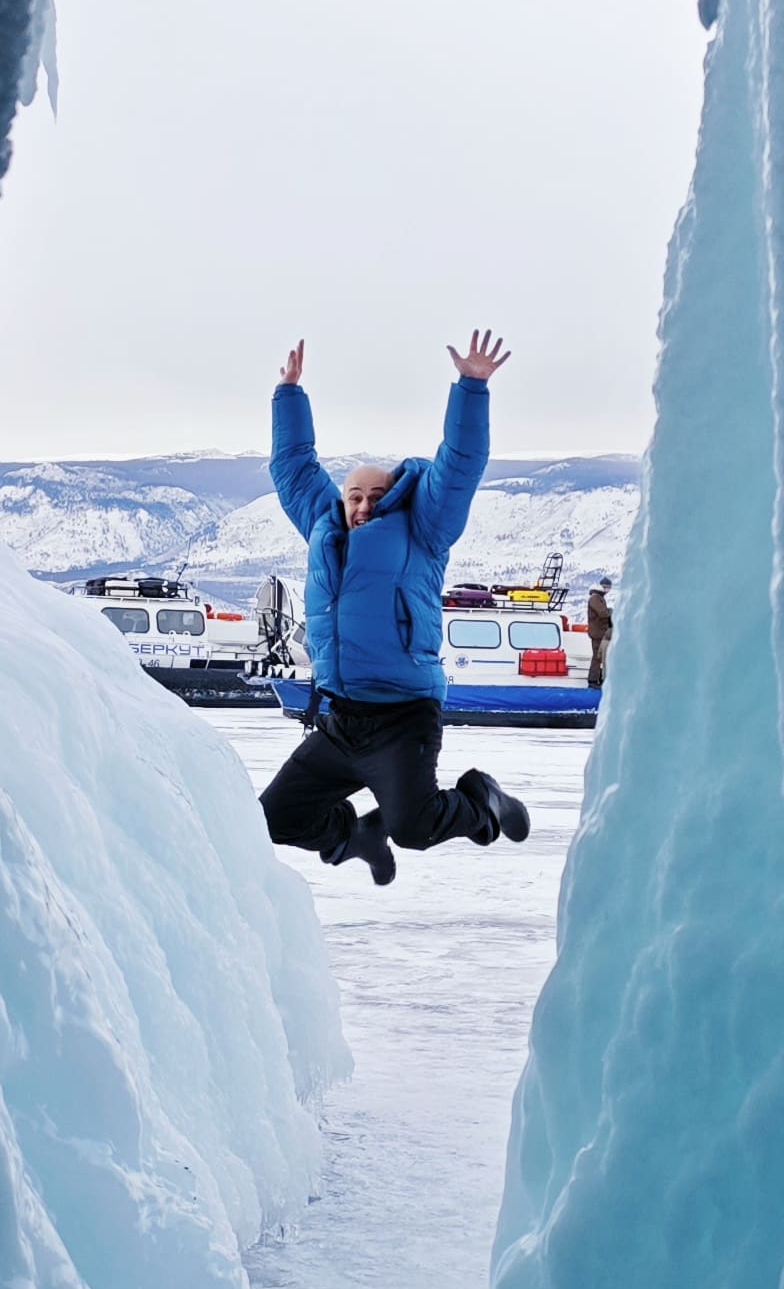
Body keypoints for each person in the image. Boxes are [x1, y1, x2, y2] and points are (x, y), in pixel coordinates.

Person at [259, 332, 532, 887]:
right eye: (355, 496)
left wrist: (471, 387)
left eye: (376, 497)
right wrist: (289, 395)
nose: (363, 506)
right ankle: (352, 836)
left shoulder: (424, 530)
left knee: (413, 827)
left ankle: (480, 802)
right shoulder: (323, 526)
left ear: (396, 500)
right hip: (342, 719)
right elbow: (293, 468)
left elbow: (459, 465)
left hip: (403, 719)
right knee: (275, 819)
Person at [585, 579, 614, 689]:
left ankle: (598, 678)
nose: (607, 589)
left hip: (600, 632)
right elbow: (602, 613)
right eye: (606, 587)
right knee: (597, 657)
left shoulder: (599, 598)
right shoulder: (595, 598)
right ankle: (593, 680)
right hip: (598, 633)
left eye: (608, 587)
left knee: (600, 656)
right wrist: (611, 612)